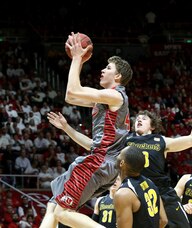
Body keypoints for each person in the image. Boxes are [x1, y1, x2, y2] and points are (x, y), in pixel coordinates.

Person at [40, 32, 133, 228]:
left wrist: (76, 58)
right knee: (55, 204)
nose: (102, 70)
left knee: (63, 212)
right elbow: (70, 96)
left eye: (108, 68)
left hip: (99, 163)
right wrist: (66, 127)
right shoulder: (105, 100)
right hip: (104, 164)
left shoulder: (116, 97)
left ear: (117, 76)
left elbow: (74, 91)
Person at [124, 89, 192, 228]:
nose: (139, 120)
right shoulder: (126, 141)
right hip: (137, 191)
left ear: (153, 126)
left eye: (144, 118)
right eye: (137, 119)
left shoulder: (160, 140)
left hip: (162, 191)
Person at [114, 146, 167, 228]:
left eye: (120, 154)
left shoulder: (123, 194)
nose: (117, 156)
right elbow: (163, 220)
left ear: (122, 163)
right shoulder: (150, 183)